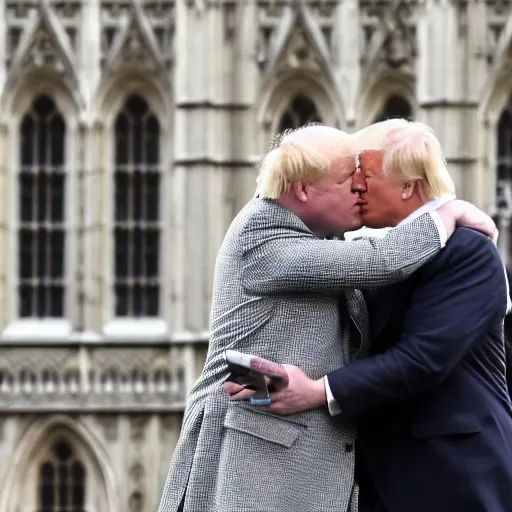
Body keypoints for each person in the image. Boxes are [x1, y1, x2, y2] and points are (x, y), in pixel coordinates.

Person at [158, 124, 496, 512]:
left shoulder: (321, 238)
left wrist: (283, 382)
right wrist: (448, 210)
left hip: (316, 469)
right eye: (346, 180)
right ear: (303, 190)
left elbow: (248, 351)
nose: (358, 188)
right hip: (253, 469)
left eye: (364, 176)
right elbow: (380, 262)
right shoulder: (260, 233)